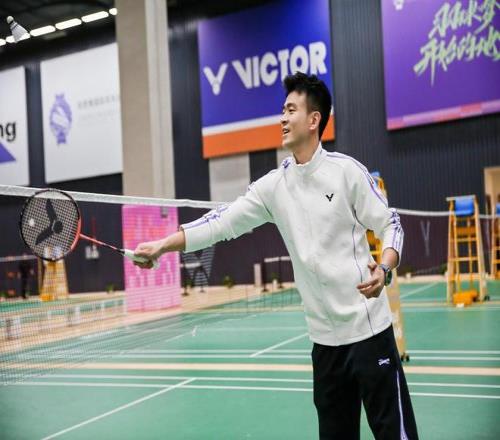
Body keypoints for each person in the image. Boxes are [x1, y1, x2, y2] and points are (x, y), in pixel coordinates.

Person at [134, 72, 418, 439]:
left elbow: (390, 222)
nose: (282, 118)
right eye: (282, 111)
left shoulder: (346, 172)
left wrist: (386, 267)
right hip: (325, 345)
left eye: (290, 110)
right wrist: (162, 245)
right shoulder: (274, 187)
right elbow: (221, 222)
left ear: (314, 120)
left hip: (369, 333)